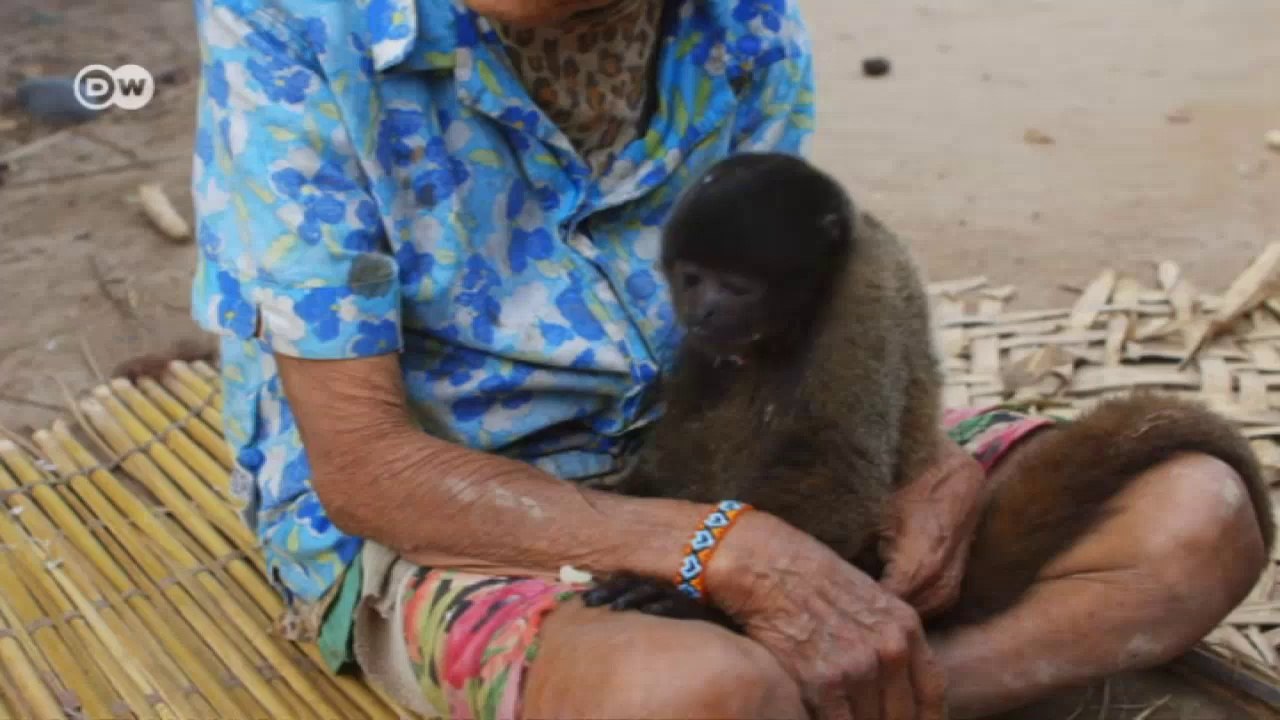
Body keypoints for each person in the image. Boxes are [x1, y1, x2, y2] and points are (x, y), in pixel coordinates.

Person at [189, 0, 1268, 717]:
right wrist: (716, 549)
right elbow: (364, 467)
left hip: (728, 453)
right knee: (696, 694)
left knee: (1192, 523)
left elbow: (796, 297)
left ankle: (896, 693)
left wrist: (918, 463)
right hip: (462, 510)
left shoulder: (735, 18)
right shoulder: (297, 26)